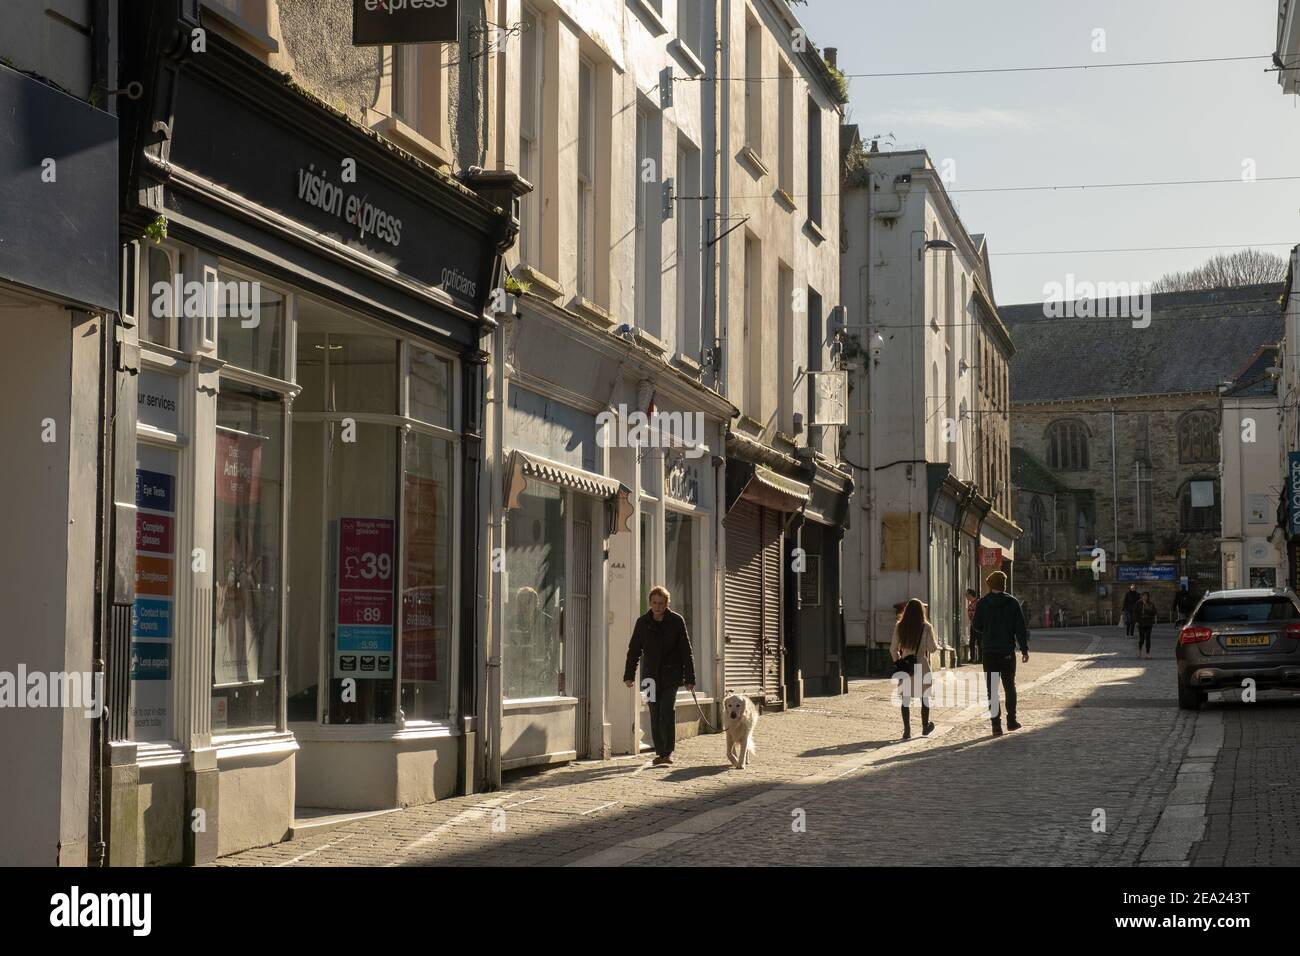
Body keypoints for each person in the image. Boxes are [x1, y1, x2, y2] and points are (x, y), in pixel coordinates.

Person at [624, 585, 696, 766]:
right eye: (654, 603)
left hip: (671, 676)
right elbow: (633, 650)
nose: (657, 606)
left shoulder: (676, 621)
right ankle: (660, 752)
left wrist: (690, 678)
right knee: (654, 713)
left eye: (661, 603)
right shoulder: (642, 623)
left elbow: (686, 650)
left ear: (666, 603)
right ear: (650, 603)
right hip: (649, 677)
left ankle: (668, 752)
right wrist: (629, 675)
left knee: (666, 712)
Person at [971, 570, 1029, 736]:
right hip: (1007, 651)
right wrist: (1024, 649)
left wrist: (988, 631)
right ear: (1003, 585)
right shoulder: (1012, 603)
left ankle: (996, 725)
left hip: (989, 651)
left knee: (992, 690)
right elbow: (1020, 628)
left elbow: (976, 625)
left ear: (990, 585)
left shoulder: (982, 603)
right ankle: (1011, 721)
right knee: (1009, 686)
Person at [890, 598, 937, 740]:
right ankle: (925, 726)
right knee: (925, 697)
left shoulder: (900, 626)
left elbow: (893, 649)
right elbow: (932, 649)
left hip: (906, 666)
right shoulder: (926, 627)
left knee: (905, 698)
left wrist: (898, 660)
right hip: (922, 664)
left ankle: (907, 730)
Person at [1136, 591, 1158, 659]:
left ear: (1148, 597)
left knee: (1148, 639)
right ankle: (1139, 651)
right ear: (1142, 596)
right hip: (1141, 623)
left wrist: (1148, 609)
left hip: (1148, 623)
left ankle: (1147, 654)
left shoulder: (1151, 604)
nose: (1145, 597)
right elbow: (1135, 613)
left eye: (1146, 596)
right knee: (1142, 638)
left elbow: (1155, 612)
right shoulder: (1138, 603)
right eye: (1144, 596)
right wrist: (1136, 621)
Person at [965, 588, 981, 663]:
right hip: (973, 625)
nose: (966, 596)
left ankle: (980, 658)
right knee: (972, 641)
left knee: (979, 641)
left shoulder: (978, 603)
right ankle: (972, 658)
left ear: (971, 594)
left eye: (967, 594)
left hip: (979, 625)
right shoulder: (970, 604)